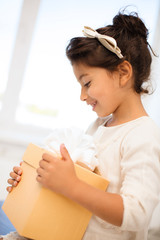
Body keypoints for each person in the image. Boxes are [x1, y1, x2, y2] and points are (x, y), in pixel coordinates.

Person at [3, 10, 160, 240]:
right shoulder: (97, 127)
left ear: (123, 73)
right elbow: (79, 188)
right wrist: (40, 179)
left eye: (87, 83)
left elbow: (137, 213)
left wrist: (70, 185)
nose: (82, 96)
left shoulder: (143, 135)